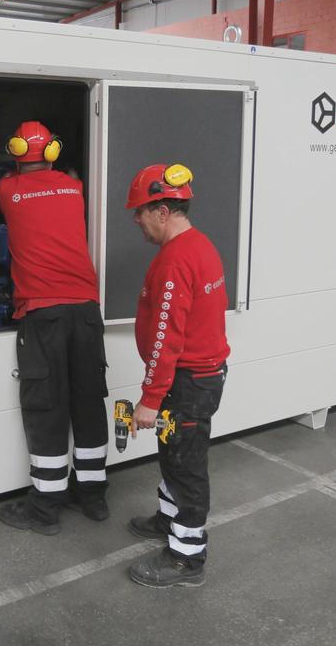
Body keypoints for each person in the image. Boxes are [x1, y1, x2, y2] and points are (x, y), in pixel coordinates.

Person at [0, 121, 110, 536]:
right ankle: (93, 497)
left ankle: (46, 508)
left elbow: (6, 180)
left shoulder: (7, 191)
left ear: (16, 151)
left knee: (47, 407)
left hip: (43, 314)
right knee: (88, 401)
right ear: (53, 152)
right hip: (85, 310)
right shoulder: (75, 187)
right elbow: (64, 180)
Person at [123, 163, 230, 588]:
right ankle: (168, 519)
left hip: (188, 382)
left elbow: (167, 334)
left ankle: (187, 557)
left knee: (186, 465)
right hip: (193, 379)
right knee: (173, 451)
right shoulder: (199, 246)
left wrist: (151, 398)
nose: (137, 220)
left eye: (141, 212)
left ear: (162, 211)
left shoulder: (176, 259)